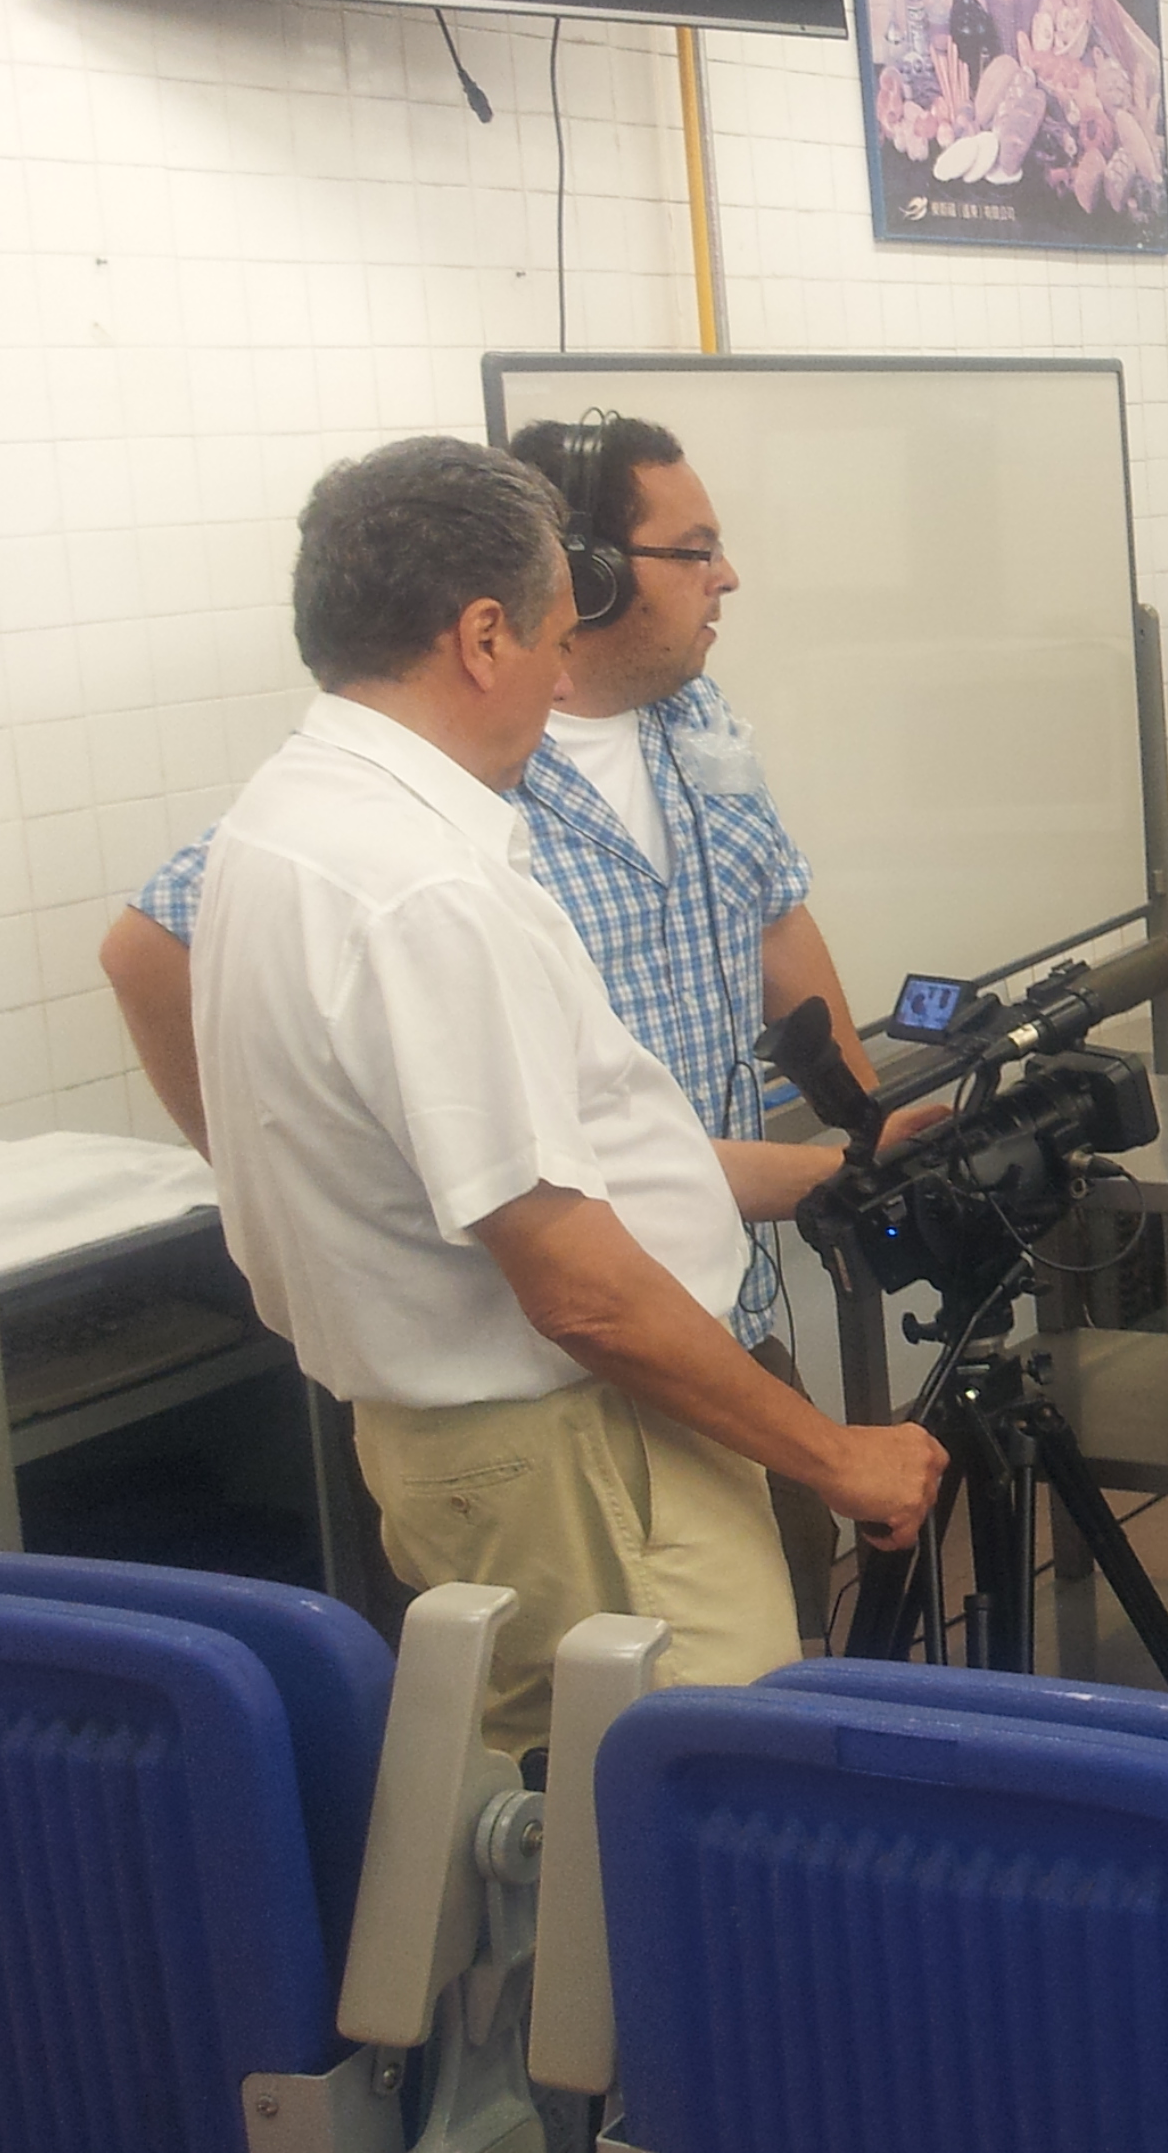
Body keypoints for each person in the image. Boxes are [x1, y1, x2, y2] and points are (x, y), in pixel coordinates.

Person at [182, 435, 943, 1752]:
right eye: (549, 634)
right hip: (585, 1453)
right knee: (681, 1814)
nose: (561, 669)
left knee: (569, 1814)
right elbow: (578, 1285)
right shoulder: (425, 888)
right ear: (484, 636)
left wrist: (828, 1168)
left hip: (519, 1450)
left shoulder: (292, 821)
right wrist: (836, 1456)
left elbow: (561, 1156)